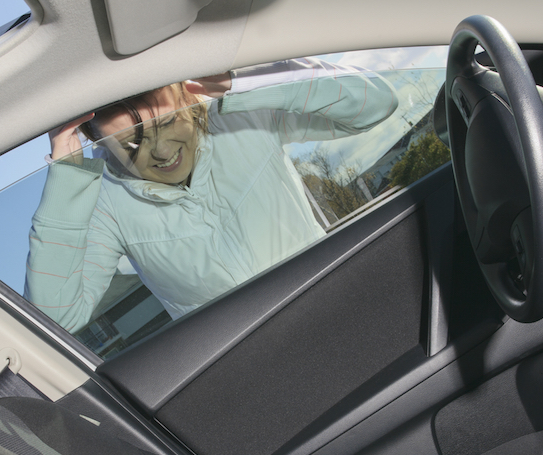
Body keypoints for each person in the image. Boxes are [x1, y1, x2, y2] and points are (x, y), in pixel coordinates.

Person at [25, 58, 398, 332]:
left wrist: (253, 82)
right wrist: (67, 179)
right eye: (131, 144)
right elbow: (57, 318)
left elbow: (377, 104)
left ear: (187, 94)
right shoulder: (102, 202)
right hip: (250, 370)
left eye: (168, 121)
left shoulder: (242, 113)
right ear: (99, 143)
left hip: (342, 303)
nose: (161, 151)